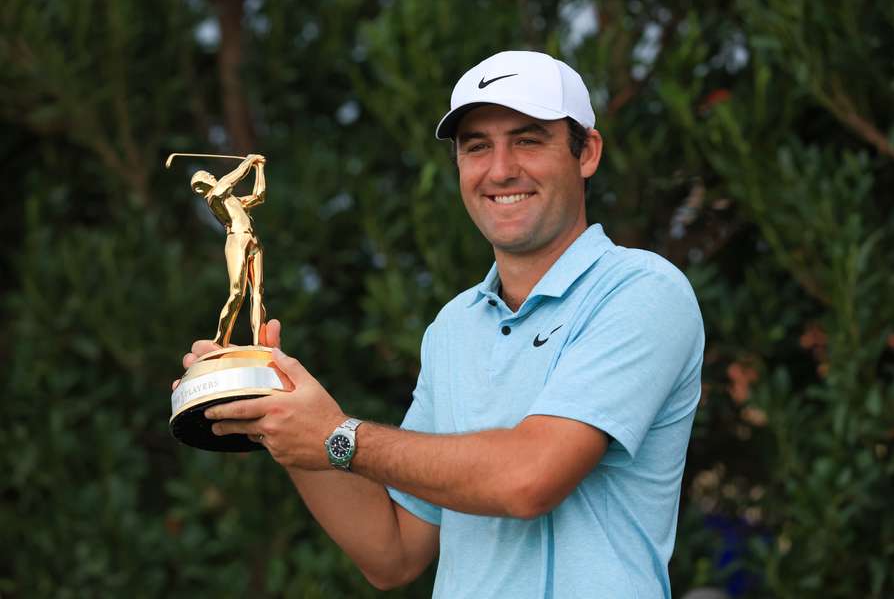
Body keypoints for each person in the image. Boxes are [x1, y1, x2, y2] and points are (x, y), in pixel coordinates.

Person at [182, 51, 704, 598]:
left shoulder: (641, 290)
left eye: (528, 140)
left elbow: (530, 478)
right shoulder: (454, 326)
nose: (500, 169)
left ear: (586, 153)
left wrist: (336, 435)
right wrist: (281, 415)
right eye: (477, 146)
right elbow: (393, 553)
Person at [190, 153, 267, 346]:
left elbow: (259, 197)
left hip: (253, 240)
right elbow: (232, 178)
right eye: (206, 176)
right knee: (237, 294)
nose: (211, 176)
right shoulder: (215, 196)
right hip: (237, 240)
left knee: (257, 292)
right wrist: (249, 160)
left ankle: (259, 343)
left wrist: (260, 169)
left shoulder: (232, 200)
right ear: (200, 186)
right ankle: (220, 341)